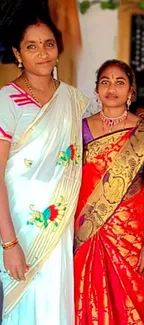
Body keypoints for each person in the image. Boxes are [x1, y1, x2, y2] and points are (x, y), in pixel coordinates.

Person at [0, 2, 89, 325]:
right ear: (17, 53)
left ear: (58, 48)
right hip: (18, 227)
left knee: (55, 302)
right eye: (32, 46)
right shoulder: (6, 100)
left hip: (60, 226)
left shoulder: (73, 100)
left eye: (48, 44)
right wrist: (9, 243)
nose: (42, 53)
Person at [74, 59, 144, 325]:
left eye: (120, 82)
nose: (112, 88)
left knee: (129, 302)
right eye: (105, 82)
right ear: (96, 90)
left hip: (129, 236)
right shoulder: (79, 129)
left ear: (131, 90)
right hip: (86, 230)